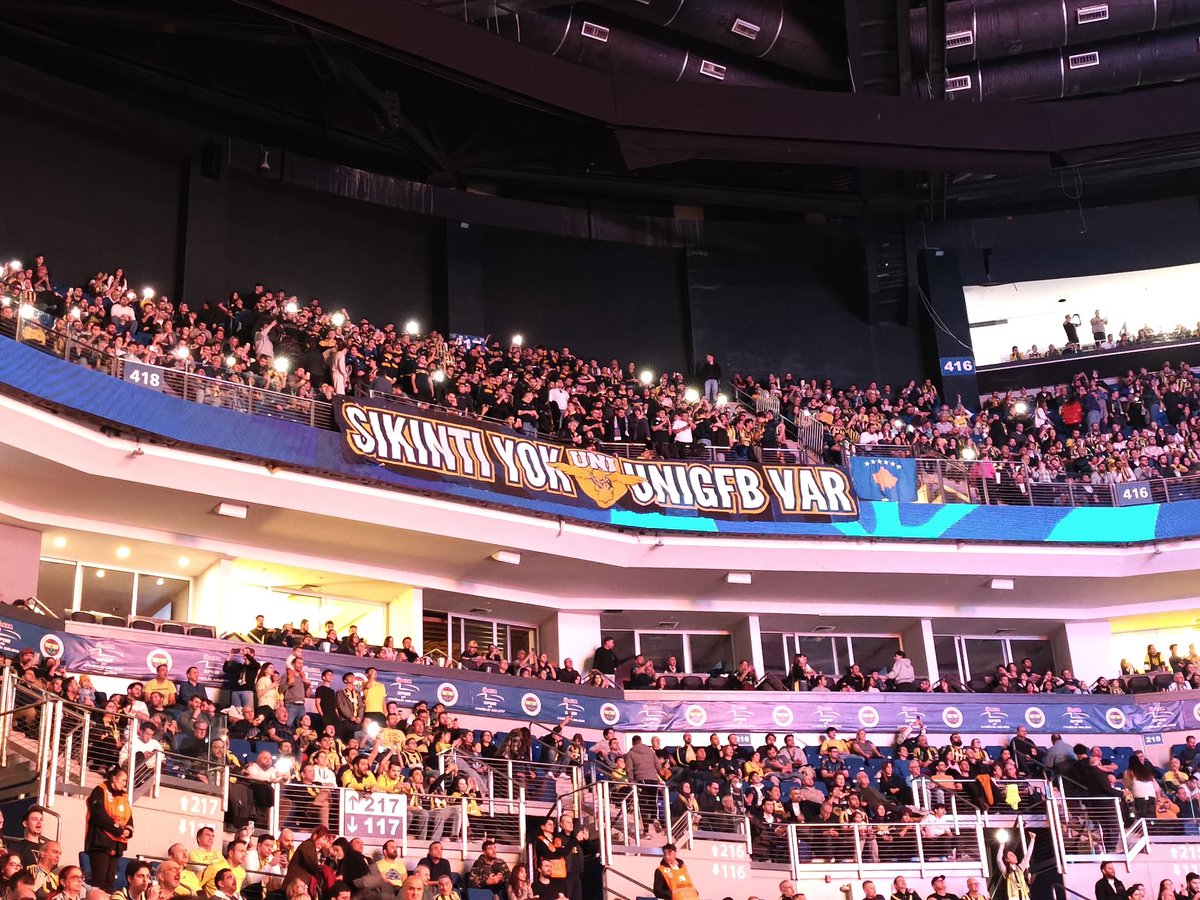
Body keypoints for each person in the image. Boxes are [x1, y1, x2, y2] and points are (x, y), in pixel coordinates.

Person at [84, 769, 133, 892]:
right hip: (99, 844)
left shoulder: (124, 796)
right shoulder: (100, 790)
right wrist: (117, 829)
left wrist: (128, 830)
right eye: (123, 780)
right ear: (114, 778)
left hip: (117, 846)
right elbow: (97, 815)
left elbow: (130, 818)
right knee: (98, 883)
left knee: (110, 883)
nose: (125, 784)